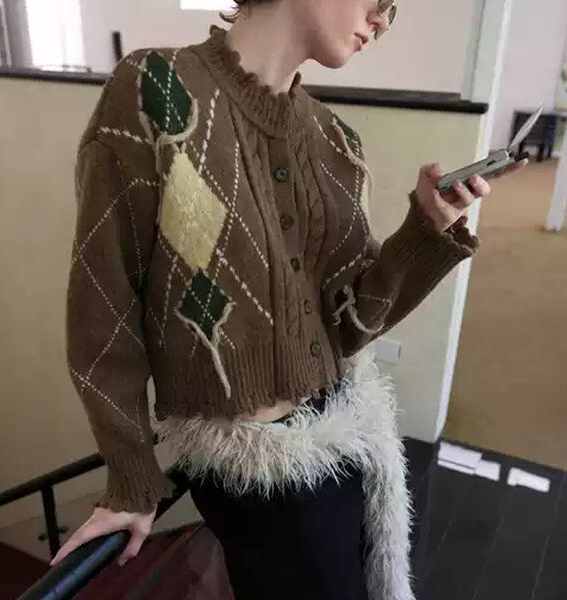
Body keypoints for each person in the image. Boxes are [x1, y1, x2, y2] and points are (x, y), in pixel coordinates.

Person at [50, 1, 527, 599]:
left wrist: (425, 231)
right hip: (253, 472)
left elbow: (350, 324)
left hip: (345, 434)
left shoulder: (336, 142)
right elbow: (103, 305)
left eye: (392, 10)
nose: (382, 20)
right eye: (377, 0)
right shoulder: (155, 90)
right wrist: (131, 478)